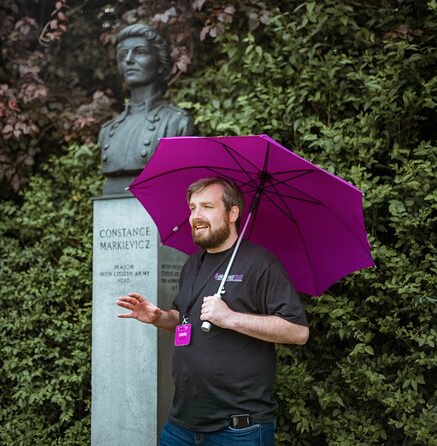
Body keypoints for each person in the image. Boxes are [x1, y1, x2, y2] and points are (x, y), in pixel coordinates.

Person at [116, 176, 309, 445]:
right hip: (181, 423)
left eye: (207, 206)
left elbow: (298, 332)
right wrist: (159, 317)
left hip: (239, 429)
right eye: (193, 207)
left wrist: (230, 318)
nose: (196, 216)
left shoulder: (261, 264)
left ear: (233, 213)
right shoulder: (192, 264)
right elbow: (183, 319)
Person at [98, 23, 194, 195]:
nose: (128, 60)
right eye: (123, 54)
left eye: (140, 52)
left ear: (159, 63)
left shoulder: (177, 122)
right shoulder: (108, 130)